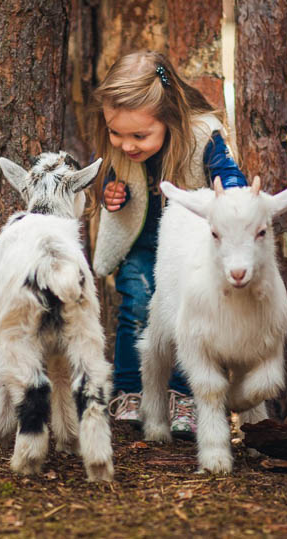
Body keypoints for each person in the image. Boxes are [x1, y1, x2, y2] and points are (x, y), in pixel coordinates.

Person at [90, 50, 248, 438]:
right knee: (137, 304)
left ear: (170, 117)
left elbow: (228, 173)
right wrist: (112, 194)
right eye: (116, 133)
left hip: (186, 248)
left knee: (185, 314)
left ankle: (183, 394)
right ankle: (131, 390)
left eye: (139, 136)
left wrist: (232, 193)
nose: (126, 145)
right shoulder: (123, 143)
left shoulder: (201, 137)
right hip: (141, 244)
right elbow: (112, 177)